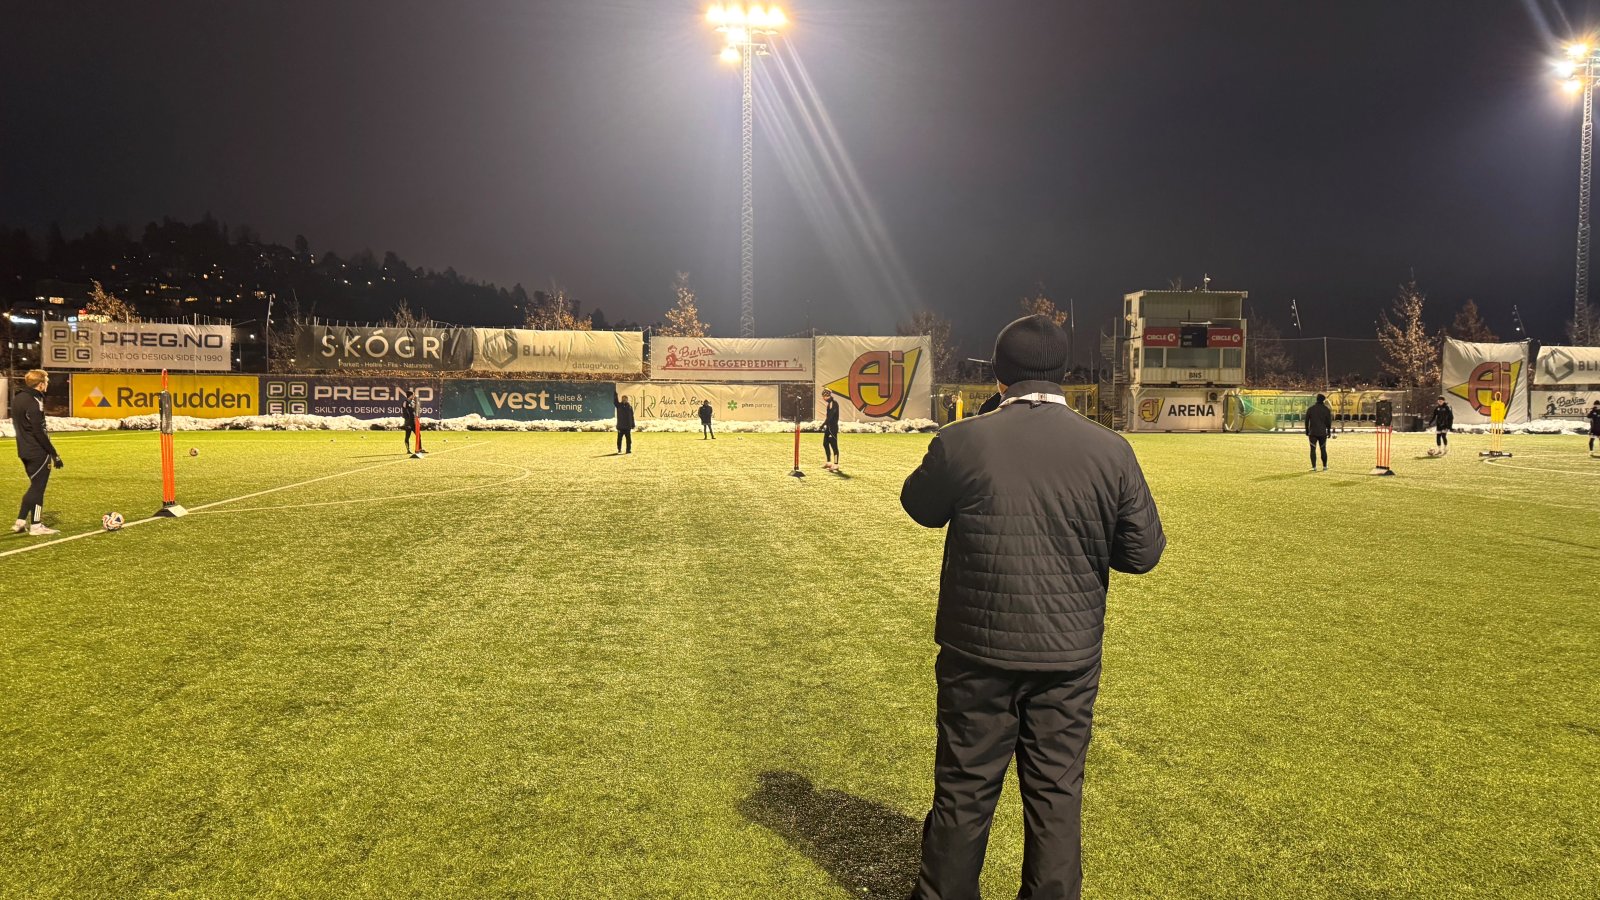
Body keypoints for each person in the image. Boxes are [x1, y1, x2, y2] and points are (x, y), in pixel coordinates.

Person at [900, 315, 1166, 900]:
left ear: (1000, 374)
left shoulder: (963, 440)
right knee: (1055, 795)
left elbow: (919, 506)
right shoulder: (1111, 450)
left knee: (964, 790)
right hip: (1068, 658)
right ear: (1062, 373)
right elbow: (1142, 553)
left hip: (977, 653)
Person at [11, 370, 62, 536]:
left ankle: (20, 522)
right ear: (40, 384)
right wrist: (54, 454)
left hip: (24, 450)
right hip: (37, 451)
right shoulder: (34, 401)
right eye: (46, 381)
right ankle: (36, 525)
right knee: (38, 489)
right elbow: (39, 432)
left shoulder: (18, 398)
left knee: (34, 487)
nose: (47, 384)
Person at [1305, 393, 1333, 471]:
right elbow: (1328, 422)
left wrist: (1307, 431)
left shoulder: (1310, 409)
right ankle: (1325, 466)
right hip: (1322, 432)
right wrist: (1329, 431)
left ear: (1317, 399)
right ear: (1324, 400)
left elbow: (1306, 421)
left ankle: (1314, 467)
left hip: (1313, 432)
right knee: (1323, 449)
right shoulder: (1326, 409)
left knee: (1312, 449)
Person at [821, 389, 841, 471]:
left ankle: (836, 464)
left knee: (834, 446)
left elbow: (831, 416)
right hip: (828, 427)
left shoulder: (833, 403)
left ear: (827, 396)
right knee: (825, 444)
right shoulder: (829, 404)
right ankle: (829, 462)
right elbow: (828, 417)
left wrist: (823, 424)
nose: (823, 398)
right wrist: (824, 425)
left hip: (832, 428)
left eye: (824, 396)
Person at [401, 388, 420, 454]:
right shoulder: (405, 402)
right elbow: (404, 411)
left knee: (418, 435)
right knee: (407, 436)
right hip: (408, 422)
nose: (414, 396)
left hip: (413, 421)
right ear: (410, 395)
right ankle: (408, 450)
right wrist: (407, 420)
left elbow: (415, 410)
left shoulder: (413, 402)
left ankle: (419, 448)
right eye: (413, 395)